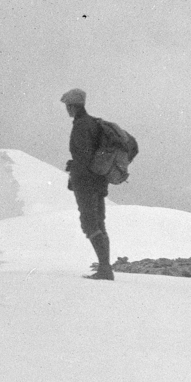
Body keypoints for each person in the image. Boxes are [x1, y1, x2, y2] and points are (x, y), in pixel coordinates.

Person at [61, 88, 114, 280]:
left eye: (67, 106)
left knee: (90, 223)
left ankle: (105, 269)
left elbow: (83, 156)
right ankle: (104, 266)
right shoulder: (93, 123)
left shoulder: (81, 126)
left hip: (86, 183)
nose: (66, 109)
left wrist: (73, 172)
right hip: (99, 182)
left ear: (72, 106)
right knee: (98, 222)